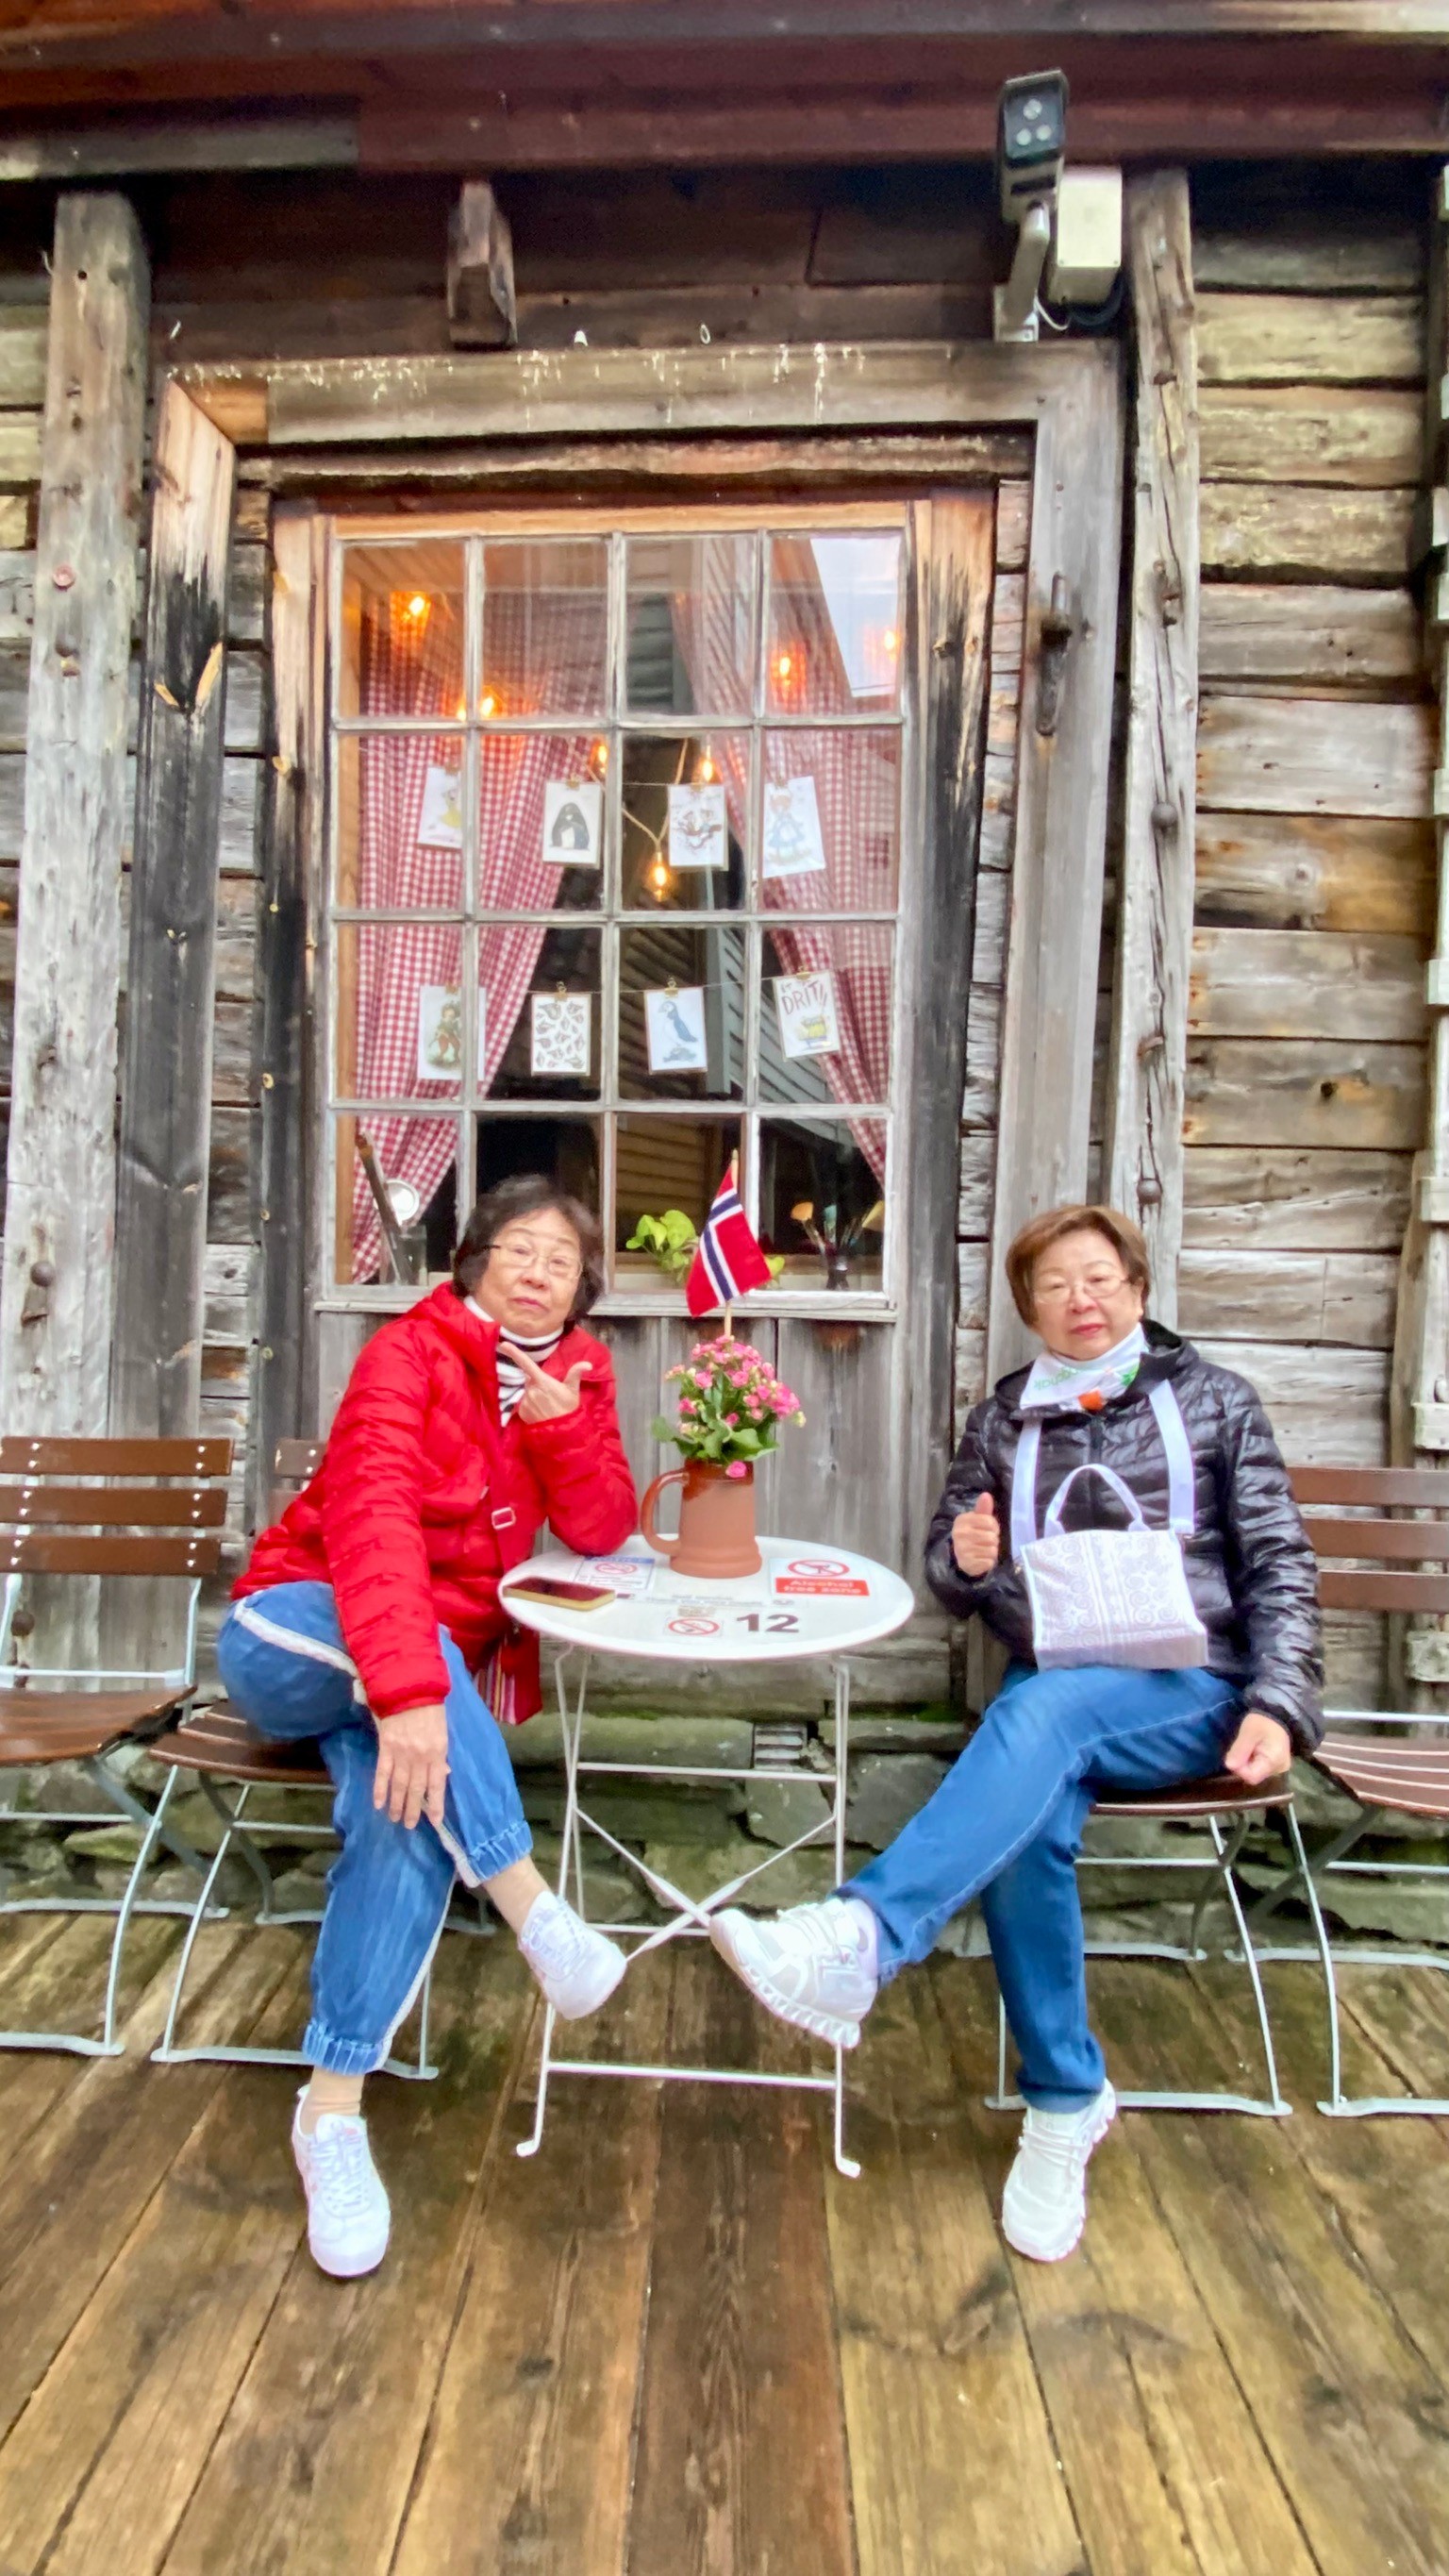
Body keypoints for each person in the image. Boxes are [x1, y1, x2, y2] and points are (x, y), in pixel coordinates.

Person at [710, 1203, 1323, 2264]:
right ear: (1029, 1308)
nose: (1080, 1300)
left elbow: (1278, 1559)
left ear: (1137, 1289)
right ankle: (1064, 2101)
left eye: (1099, 1279)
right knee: (1030, 1813)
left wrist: (1279, 1700)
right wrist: (966, 1554)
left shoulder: (1214, 1399)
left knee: (1036, 1713)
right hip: (1062, 1684)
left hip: (1197, 1683)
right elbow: (950, 1569)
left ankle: (863, 1936)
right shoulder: (1005, 1418)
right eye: (1054, 1286)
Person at [216, 1177, 638, 2279]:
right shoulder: (406, 1355)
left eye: (562, 1260)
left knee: (403, 1822)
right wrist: (407, 1692)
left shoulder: (580, 1376)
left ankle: (330, 2111)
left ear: (582, 1289)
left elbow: (602, 1528)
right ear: (476, 1262)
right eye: (519, 1248)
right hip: (299, 1630)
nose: (539, 1270)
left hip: (413, 1684)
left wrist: (560, 1431)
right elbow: (371, 1525)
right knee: (431, 1658)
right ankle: (533, 1907)